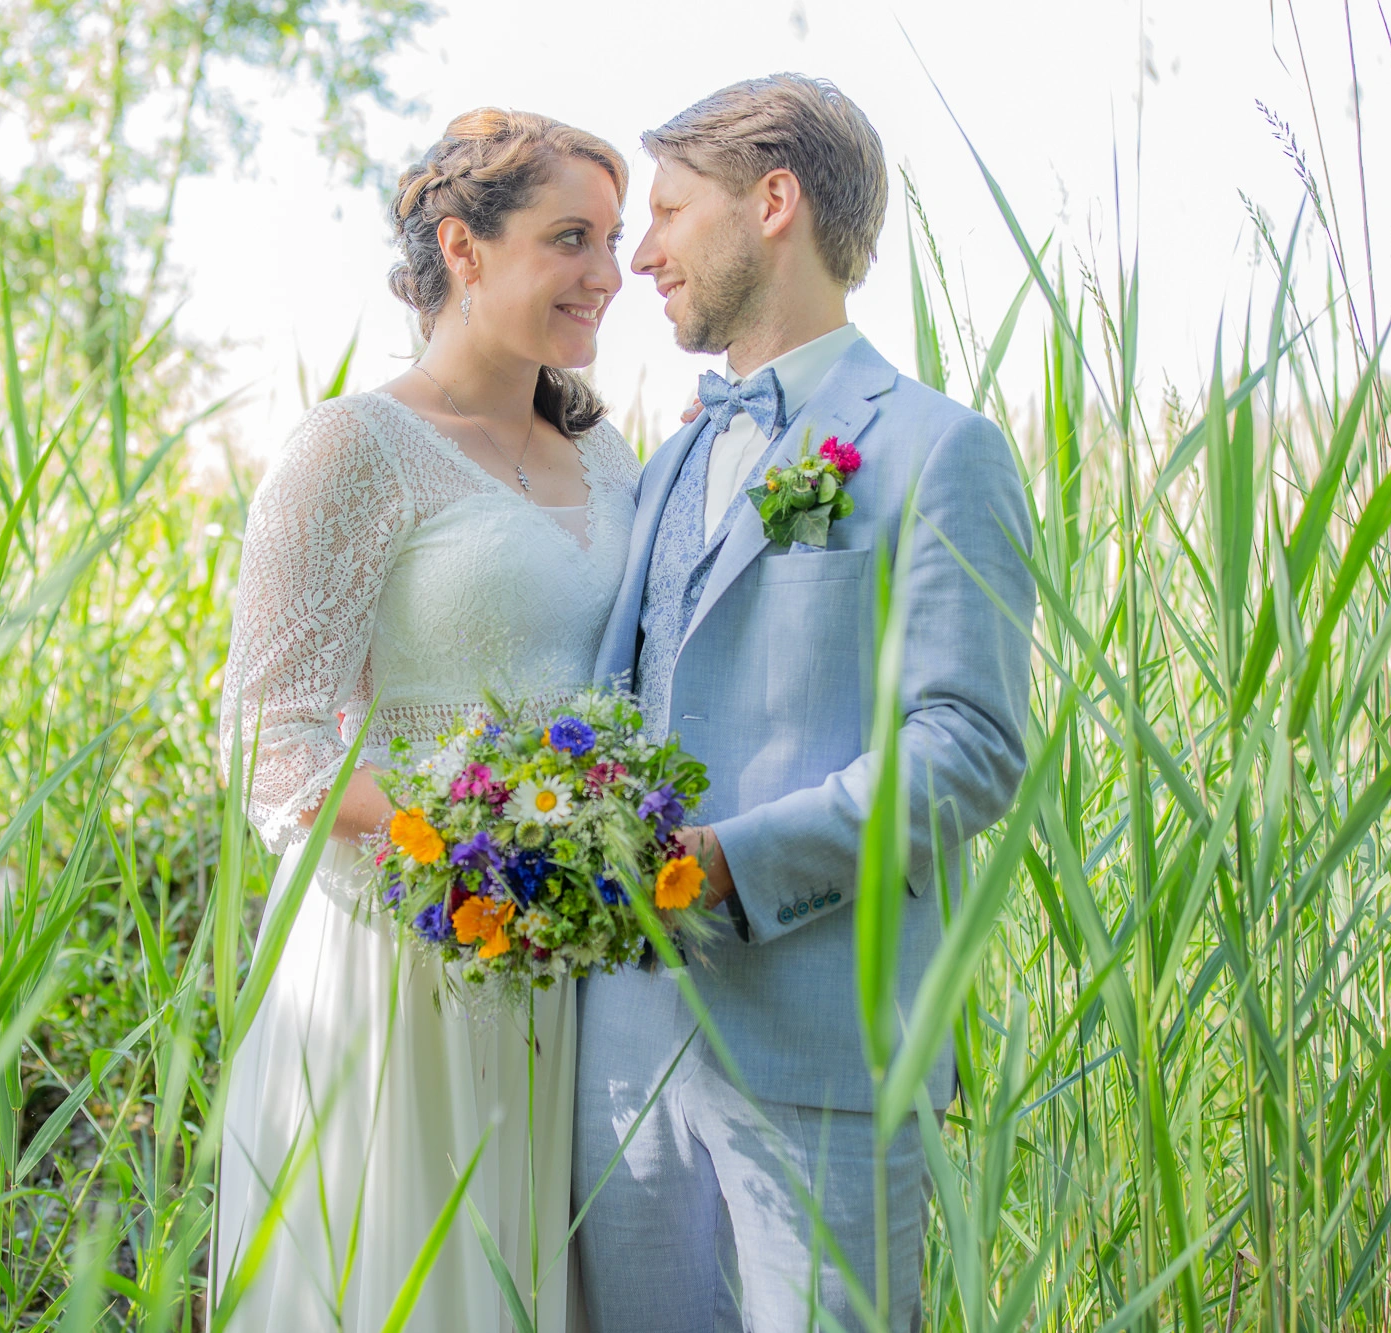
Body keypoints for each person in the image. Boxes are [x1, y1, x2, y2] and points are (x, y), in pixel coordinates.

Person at [574, 74, 1036, 1332]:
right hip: (620, 1062)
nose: (642, 254)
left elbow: (967, 747)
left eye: (669, 209)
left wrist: (731, 861)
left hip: (824, 1052)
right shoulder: (668, 455)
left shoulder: (938, 450)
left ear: (772, 201)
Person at [212, 109, 635, 1329]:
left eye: (613, 241)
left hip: (569, 962)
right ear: (462, 247)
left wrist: (568, 867)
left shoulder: (610, 458)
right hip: (398, 954)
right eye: (570, 238)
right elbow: (266, 736)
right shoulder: (354, 449)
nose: (607, 275)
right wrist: (470, 845)